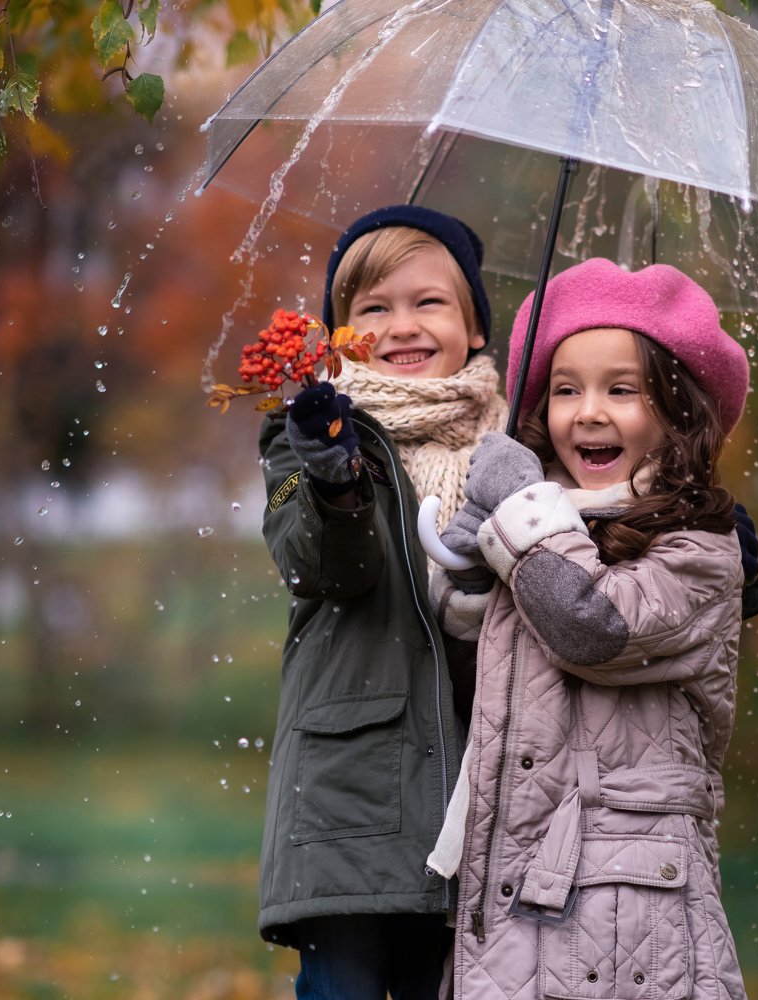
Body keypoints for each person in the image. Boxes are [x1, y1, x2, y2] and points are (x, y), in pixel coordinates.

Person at [428, 257, 752, 999]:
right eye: (566, 389)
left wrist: (520, 514)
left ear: (677, 413)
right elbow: (482, 669)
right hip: (514, 894)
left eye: (622, 389)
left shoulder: (701, 547)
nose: (588, 412)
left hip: (626, 919)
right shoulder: (551, 528)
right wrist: (474, 569)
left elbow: (595, 629)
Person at [255, 204, 507, 1000]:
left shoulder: (518, 444)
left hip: (484, 791)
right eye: (372, 308)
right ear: (339, 336)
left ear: (474, 327)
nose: (401, 326)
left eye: (428, 302)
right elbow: (326, 567)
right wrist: (332, 478)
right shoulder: (307, 437)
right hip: (351, 791)